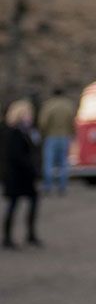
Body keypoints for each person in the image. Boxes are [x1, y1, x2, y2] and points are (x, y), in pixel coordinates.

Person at [3, 99, 41, 249]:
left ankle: (30, 234)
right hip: (16, 175)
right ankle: (7, 238)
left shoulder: (29, 131)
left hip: (26, 176)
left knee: (32, 202)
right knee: (13, 205)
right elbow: (15, 155)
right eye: (27, 114)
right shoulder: (13, 132)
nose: (30, 117)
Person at [37, 88, 75, 197]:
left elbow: (43, 122)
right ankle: (62, 186)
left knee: (48, 162)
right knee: (63, 162)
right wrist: (71, 133)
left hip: (51, 136)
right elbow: (72, 121)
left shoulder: (49, 105)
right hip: (64, 136)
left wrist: (43, 133)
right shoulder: (68, 105)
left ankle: (48, 186)